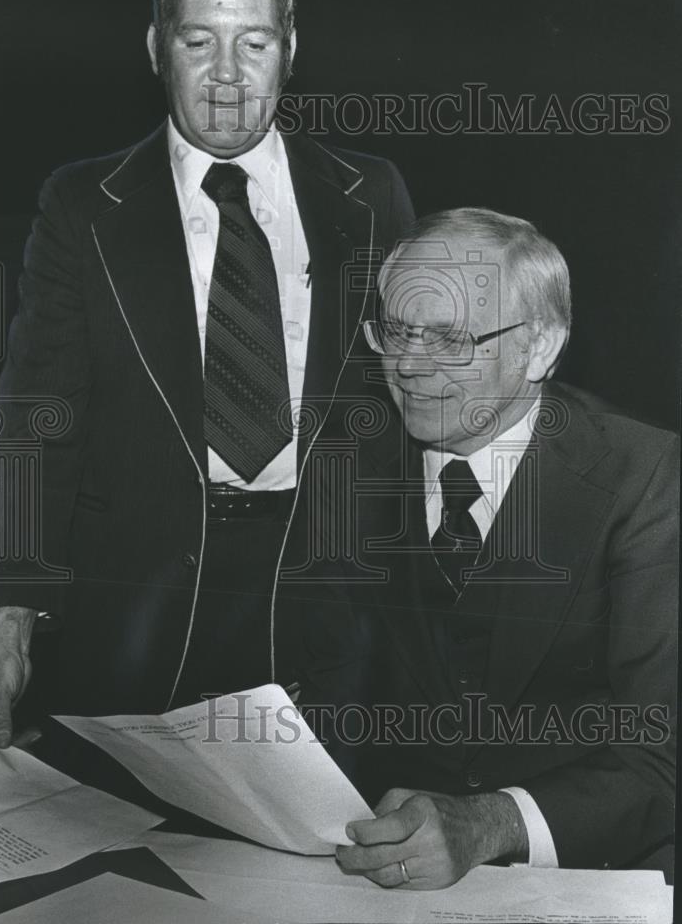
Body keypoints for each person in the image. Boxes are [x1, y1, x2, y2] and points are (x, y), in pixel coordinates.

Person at [0, 0, 414, 745]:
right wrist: (9, 623)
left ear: (290, 50)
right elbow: (35, 418)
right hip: (136, 612)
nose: (228, 75)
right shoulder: (83, 207)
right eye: (199, 42)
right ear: (157, 49)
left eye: (254, 43)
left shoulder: (370, 196)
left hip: (324, 612)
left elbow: (406, 411)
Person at [288, 208, 677, 884]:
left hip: (592, 864)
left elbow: (660, 753)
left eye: (448, 339)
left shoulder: (642, 477)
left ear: (539, 346)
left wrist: (489, 824)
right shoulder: (347, 463)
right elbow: (332, 692)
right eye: (396, 331)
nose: (406, 365)